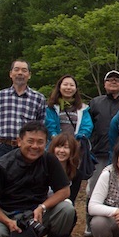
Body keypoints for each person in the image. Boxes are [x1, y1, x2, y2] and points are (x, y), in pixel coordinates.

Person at [85, 70, 119, 236]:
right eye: (110, 80)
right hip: (99, 153)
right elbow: (87, 126)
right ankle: (90, 224)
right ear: (104, 84)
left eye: (117, 80)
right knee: (93, 189)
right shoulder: (95, 103)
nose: (113, 82)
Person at [45, 74, 94, 203]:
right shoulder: (51, 107)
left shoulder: (82, 108)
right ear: (59, 87)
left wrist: (77, 140)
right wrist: (57, 140)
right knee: (52, 173)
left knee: (73, 175)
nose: (68, 87)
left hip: (75, 149)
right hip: (55, 147)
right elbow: (49, 124)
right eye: (65, 84)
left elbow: (87, 125)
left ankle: (68, 205)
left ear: (76, 88)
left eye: (71, 85)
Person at [0, 59, 46, 161]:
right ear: (11, 74)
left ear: (29, 75)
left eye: (24, 70)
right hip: (3, 147)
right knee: (0, 176)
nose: (20, 73)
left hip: (27, 148)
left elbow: (40, 124)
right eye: (17, 70)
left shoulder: (38, 98)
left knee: (28, 176)